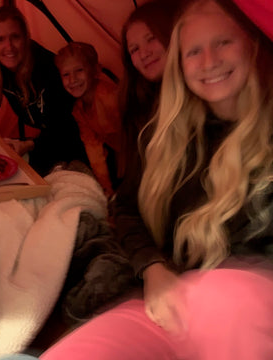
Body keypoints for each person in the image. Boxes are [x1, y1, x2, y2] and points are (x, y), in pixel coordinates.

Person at [40, 0, 273, 359]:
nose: (209, 61)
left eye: (223, 42)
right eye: (194, 51)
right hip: (161, 299)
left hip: (242, 304)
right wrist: (151, 267)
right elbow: (126, 199)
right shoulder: (162, 133)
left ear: (253, 43)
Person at [0, 5, 88, 176]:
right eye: (0, 39)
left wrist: (28, 145)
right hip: (43, 143)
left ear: (26, 38)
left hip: (76, 141)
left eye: (15, 37)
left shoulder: (47, 66)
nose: (9, 46)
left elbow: (63, 128)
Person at [55, 42, 123, 198]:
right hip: (118, 154)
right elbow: (94, 149)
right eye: (66, 74)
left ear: (95, 71)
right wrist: (106, 188)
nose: (72, 79)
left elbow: (133, 134)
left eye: (79, 70)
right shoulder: (79, 110)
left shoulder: (108, 98)